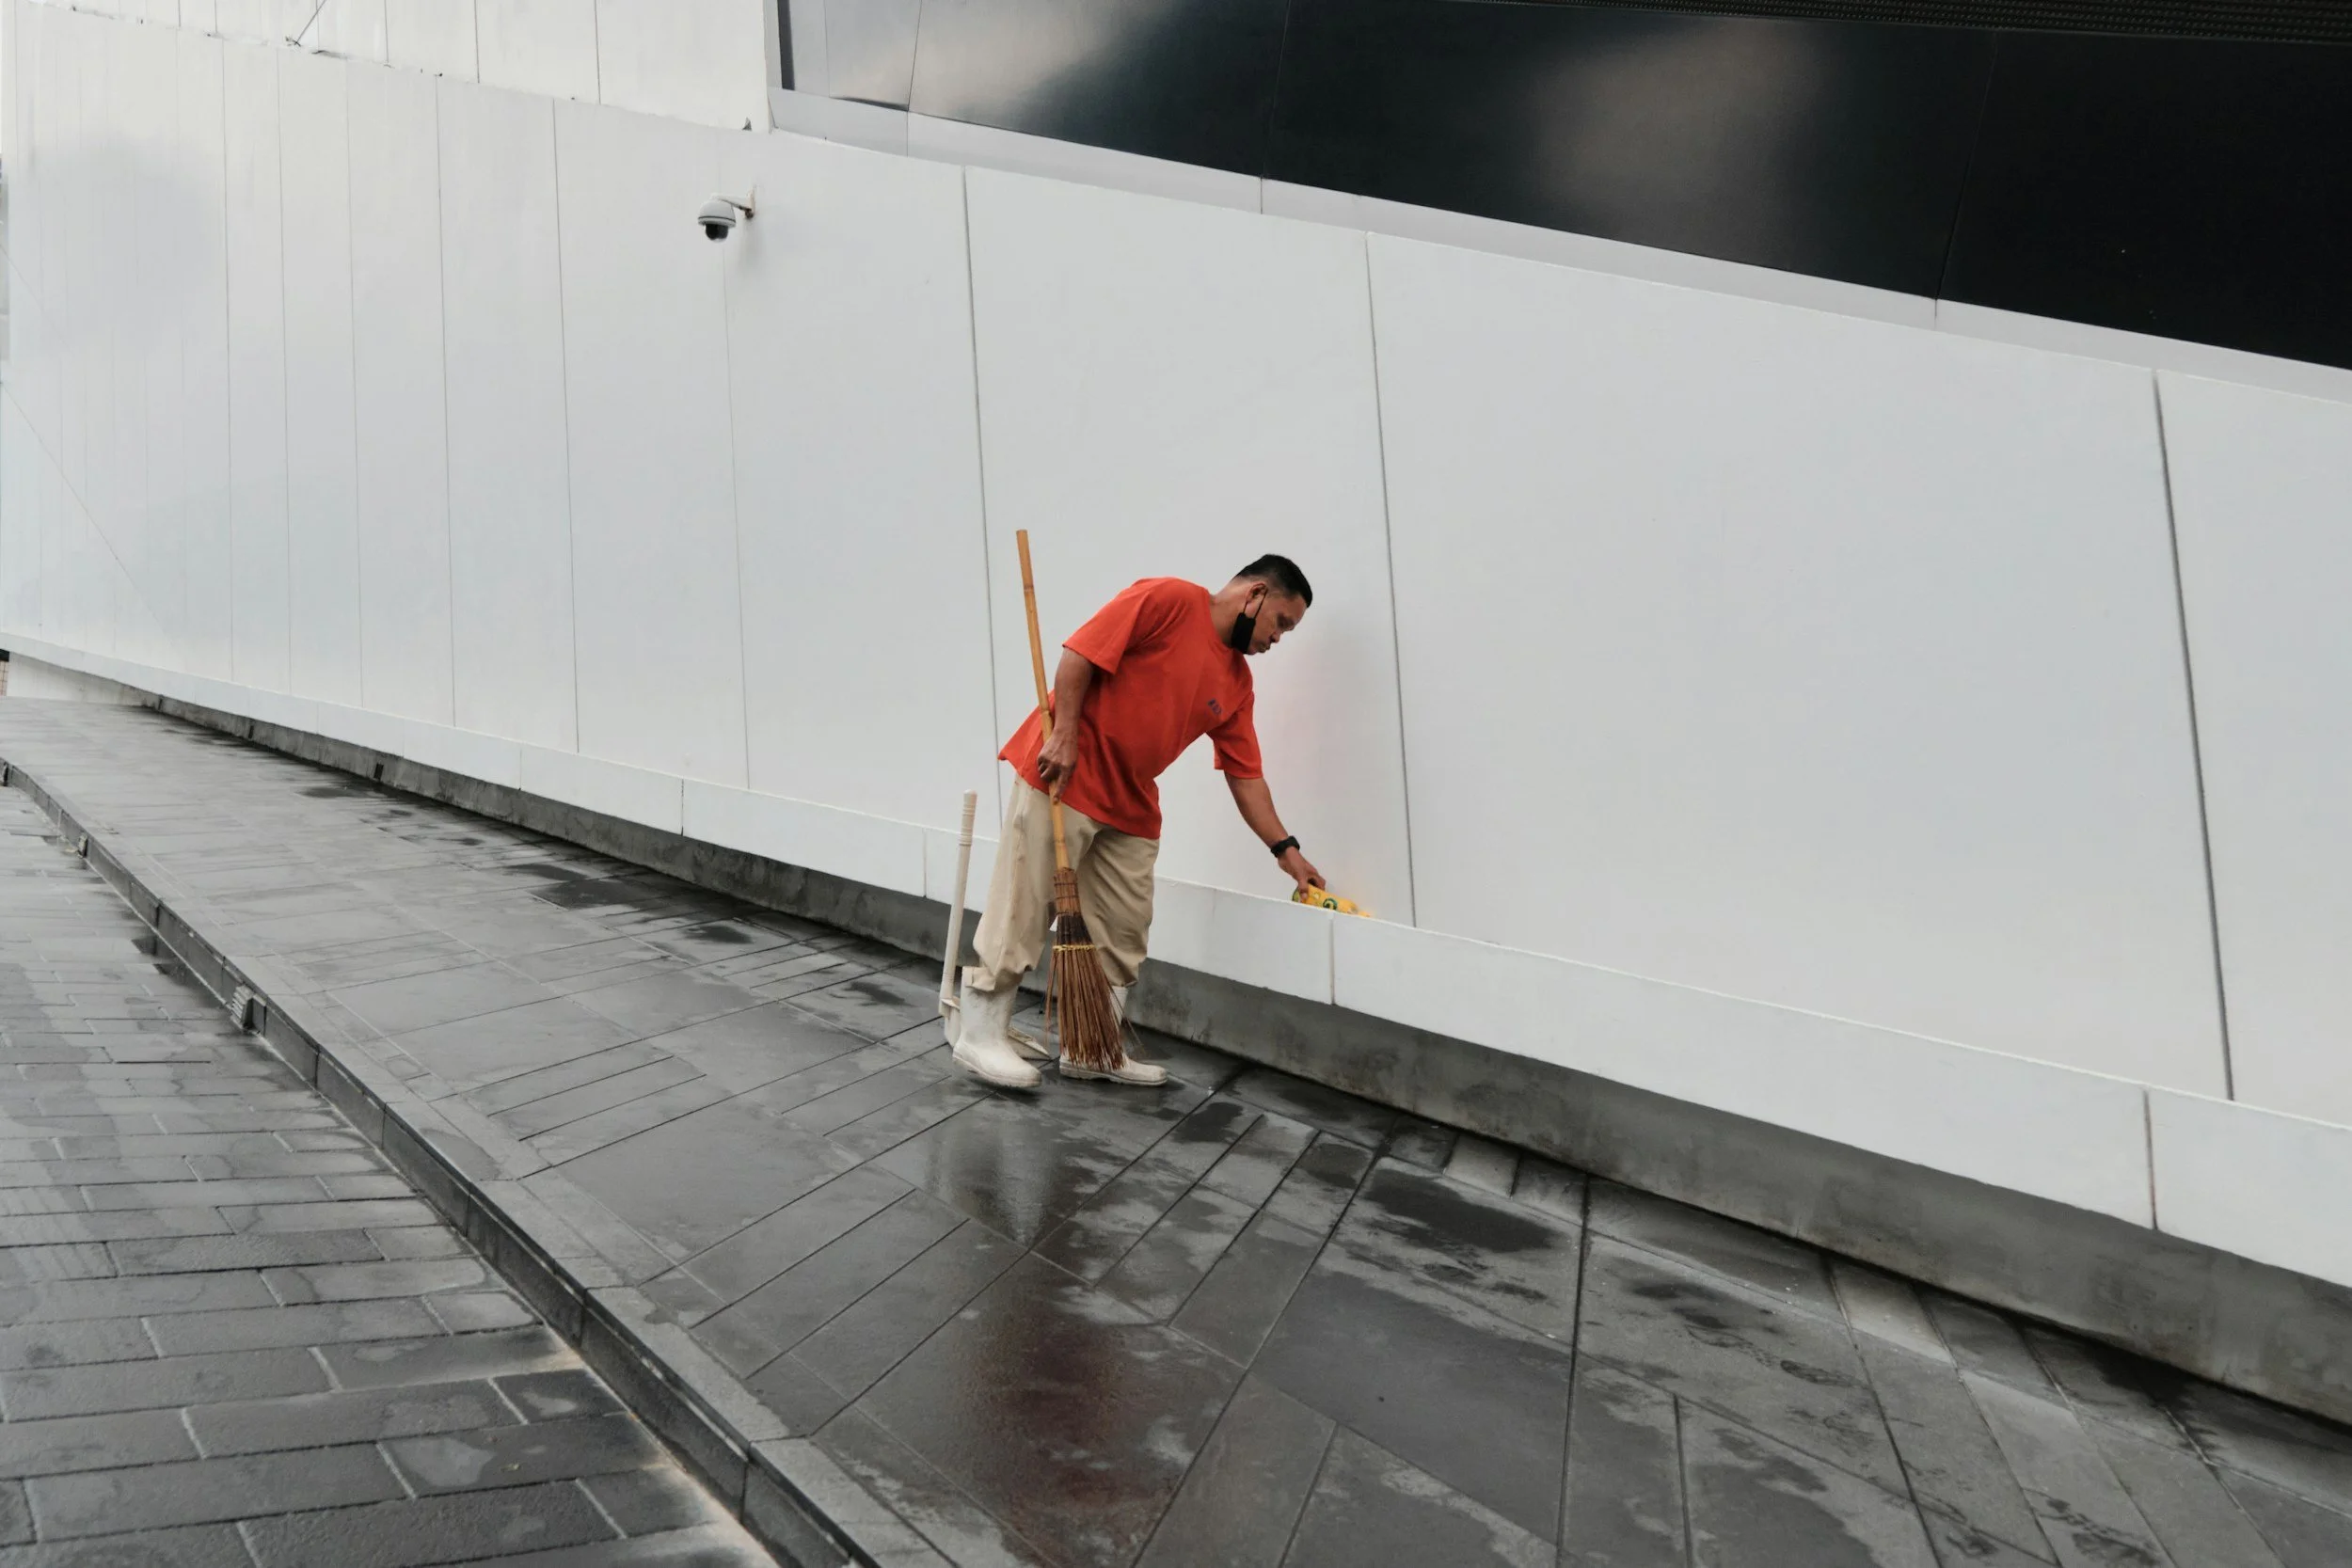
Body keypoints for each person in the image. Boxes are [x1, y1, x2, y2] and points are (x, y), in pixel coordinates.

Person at [949, 557, 1325, 1089]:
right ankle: (981, 1033)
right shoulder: (1170, 599)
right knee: (1026, 905)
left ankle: (1091, 1047)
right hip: (1066, 774)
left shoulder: (1237, 683)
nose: (1278, 638)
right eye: (1281, 623)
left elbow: (1246, 776)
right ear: (1255, 594)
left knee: (1123, 926)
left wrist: (1287, 852)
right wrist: (1064, 735)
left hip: (1131, 805)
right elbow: (1081, 652)